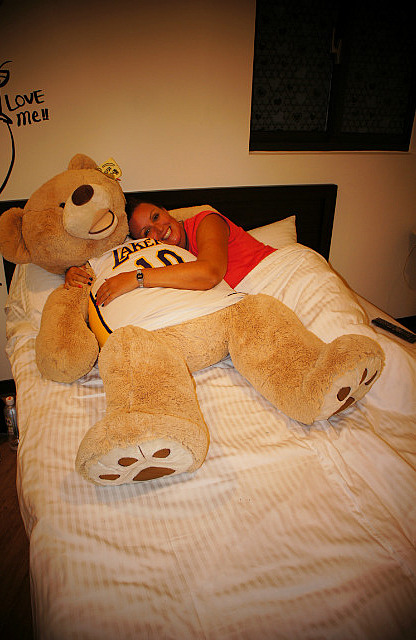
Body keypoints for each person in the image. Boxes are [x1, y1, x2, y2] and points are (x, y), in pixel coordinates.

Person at [65, 199, 276, 306]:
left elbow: (210, 272)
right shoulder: (166, 261)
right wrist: (76, 271)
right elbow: (112, 257)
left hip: (278, 275)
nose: (158, 229)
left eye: (156, 217)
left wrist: (136, 278)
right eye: (147, 232)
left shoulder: (206, 221)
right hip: (258, 304)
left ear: (166, 211)